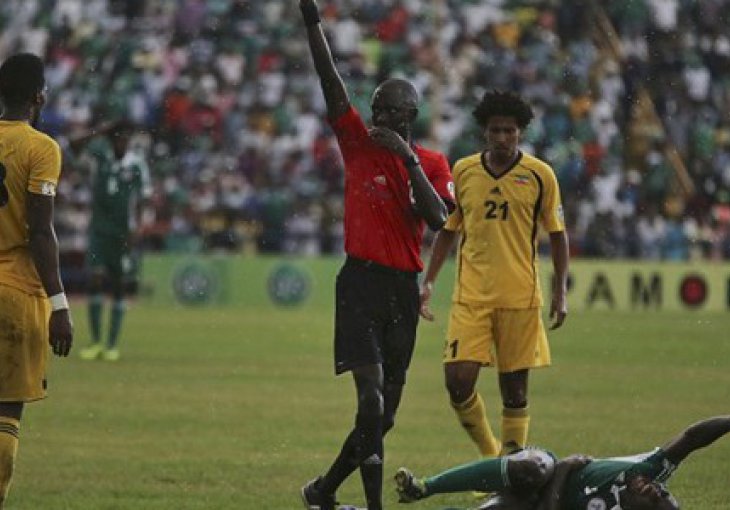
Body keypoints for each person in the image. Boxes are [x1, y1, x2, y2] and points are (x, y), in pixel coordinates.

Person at [296, 1, 455, 509]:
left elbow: (439, 220)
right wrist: (311, 23)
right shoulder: (358, 145)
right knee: (370, 400)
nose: (378, 117)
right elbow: (330, 82)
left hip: (402, 292)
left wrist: (407, 159)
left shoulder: (430, 162)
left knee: (383, 417)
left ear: (410, 119)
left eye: (389, 112)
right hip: (360, 284)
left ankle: (322, 492)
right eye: (375, 109)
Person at [419, 89, 569, 459]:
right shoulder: (465, 170)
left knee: (515, 393)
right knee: (457, 382)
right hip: (471, 296)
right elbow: (449, 229)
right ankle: (491, 453)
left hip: (520, 297)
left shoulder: (540, 175)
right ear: (484, 132)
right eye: (496, 131)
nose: (503, 138)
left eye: (510, 131)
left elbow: (558, 235)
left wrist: (560, 291)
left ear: (521, 132)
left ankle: (511, 475)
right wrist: (429, 281)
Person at [0, 52, 74, 507]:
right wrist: (60, 305)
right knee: (6, 414)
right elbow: (40, 230)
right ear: (37, 96)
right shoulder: (40, 147)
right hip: (16, 290)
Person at [394, 414, 730, 510]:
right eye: (659, 488)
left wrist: (568, 470)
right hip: (544, 469)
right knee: (534, 467)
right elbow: (692, 437)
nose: (651, 485)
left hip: (543, 498)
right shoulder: (647, 470)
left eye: (652, 495)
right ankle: (425, 487)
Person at [70, 120, 151, 362]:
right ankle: (96, 342)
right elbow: (73, 146)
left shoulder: (136, 164)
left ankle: (112, 345)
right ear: (111, 139)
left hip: (123, 233)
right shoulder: (99, 157)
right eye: (117, 138)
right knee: (95, 280)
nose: (122, 142)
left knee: (118, 286)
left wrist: (138, 227)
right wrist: (99, 130)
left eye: (125, 138)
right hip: (99, 230)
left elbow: (143, 198)